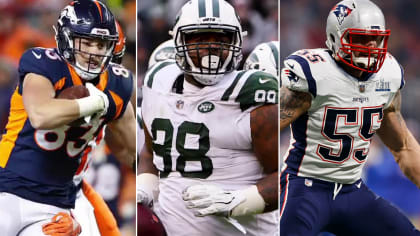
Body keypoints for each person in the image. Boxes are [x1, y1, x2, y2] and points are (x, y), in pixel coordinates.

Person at [138, 0, 278, 235]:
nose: (210, 48)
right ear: (178, 41)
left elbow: (286, 179)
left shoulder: (251, 93)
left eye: (221, 39)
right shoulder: (159, 80)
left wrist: (236, 201)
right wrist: (145, 187)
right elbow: (151, 155)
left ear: (237, 42)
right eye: (199, 38)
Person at [280, 0, 420, 235]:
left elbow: (403, 147)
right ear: (336, 38)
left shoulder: (387, 76)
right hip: (305, 189)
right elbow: (263, 128)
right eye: (361, 39)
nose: (371, 46)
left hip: (352, 190)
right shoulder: (314, 74)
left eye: (376, 39)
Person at [0, 1, 136, 235]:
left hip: (57, 201)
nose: (94, 52)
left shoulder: (117, 83)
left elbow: (130, 152)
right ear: (66, 39)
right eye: (88, 42)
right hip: (7, 185)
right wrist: (94, 104)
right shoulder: (44, 64)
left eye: (102, 44)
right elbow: (41, 116)